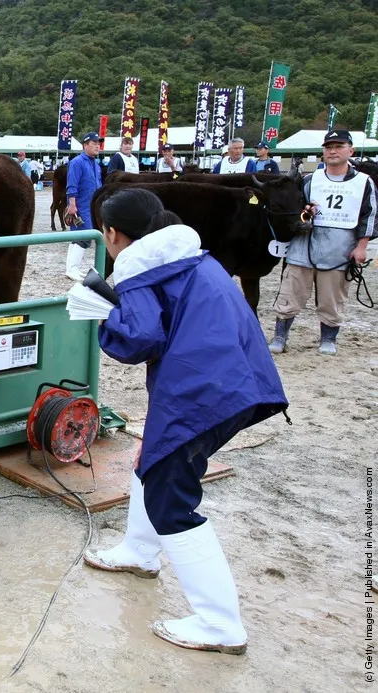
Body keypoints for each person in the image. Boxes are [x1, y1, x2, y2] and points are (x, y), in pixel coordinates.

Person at [84, 187, 288, 655]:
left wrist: (101, 312)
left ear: (113, 234)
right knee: (153, 460)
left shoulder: (138, 268)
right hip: (235, 379)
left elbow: (137, 341)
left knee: (171, 498)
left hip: (202, 393)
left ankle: (220, 624)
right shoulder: (188, 254)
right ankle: (139, 551)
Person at [268, 129, 376, 355]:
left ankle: (328, 338)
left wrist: (361, 246)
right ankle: (280, 335)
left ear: (350, 150)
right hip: (304, 244)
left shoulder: (364, 182)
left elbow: (370, 215)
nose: (333, 151)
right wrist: (304, 211)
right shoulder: (309, 180)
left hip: (339, 246)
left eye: (338, 146)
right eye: (328, 147)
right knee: (290, 290)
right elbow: (294, 209)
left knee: (332, 296)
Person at [64, 131, 103, 280]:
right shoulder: (77, 162)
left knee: (77, 237)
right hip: (81, 205)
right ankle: (72, 269)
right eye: (94, 143)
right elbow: (72, 185)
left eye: (98, 143)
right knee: (84, 236)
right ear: (85, 145)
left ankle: (72, 268)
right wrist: (72, 204)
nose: (97, 146)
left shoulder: (95, 163)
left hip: (91, 204)